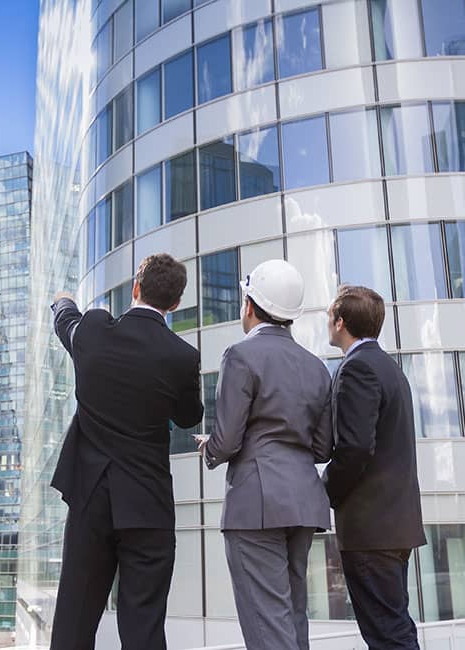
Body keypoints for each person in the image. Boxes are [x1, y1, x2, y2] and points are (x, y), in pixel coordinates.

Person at [48, 253, 204, 650]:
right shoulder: (181, 356)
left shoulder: (96, 331)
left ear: (135, 287)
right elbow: (189, 417)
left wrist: (63, 300)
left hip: (91, 500)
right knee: (144, 628)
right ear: (174, 304)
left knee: (74, 621)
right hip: (147, 505)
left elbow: (66, 322)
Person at [199, 259, 333, 650]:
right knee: (292, 617)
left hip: (256, 504)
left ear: (250, 305)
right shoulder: (317, 368)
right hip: (303, 503)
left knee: (267, 626)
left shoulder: (240, 356)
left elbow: (225, 441)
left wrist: (209, 448)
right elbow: (323, 448)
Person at [323, 285, 426, 650]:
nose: (328, 322)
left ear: (340, 321)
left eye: (329, 315)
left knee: (386, 635)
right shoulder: (390, 368)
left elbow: (354, 449)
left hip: (371, 530)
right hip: (395, 526)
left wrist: (323, 492)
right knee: (396, 627)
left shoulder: (358, 368)